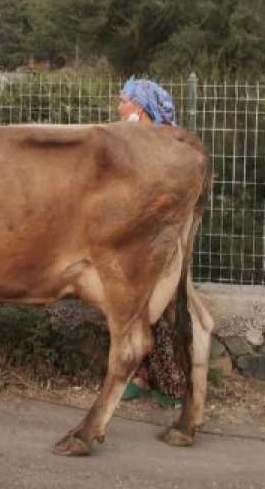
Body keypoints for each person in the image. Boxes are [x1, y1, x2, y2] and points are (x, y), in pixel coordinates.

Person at [115, 77, 189, 407]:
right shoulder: (131, 143)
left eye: (123, 101)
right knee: (131, 310)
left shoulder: (164, 147)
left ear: (140, 107)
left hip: (160, 244)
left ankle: (172, 386)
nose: (118, 108)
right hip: (131, 244)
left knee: (160, 313)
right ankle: (138, 377)